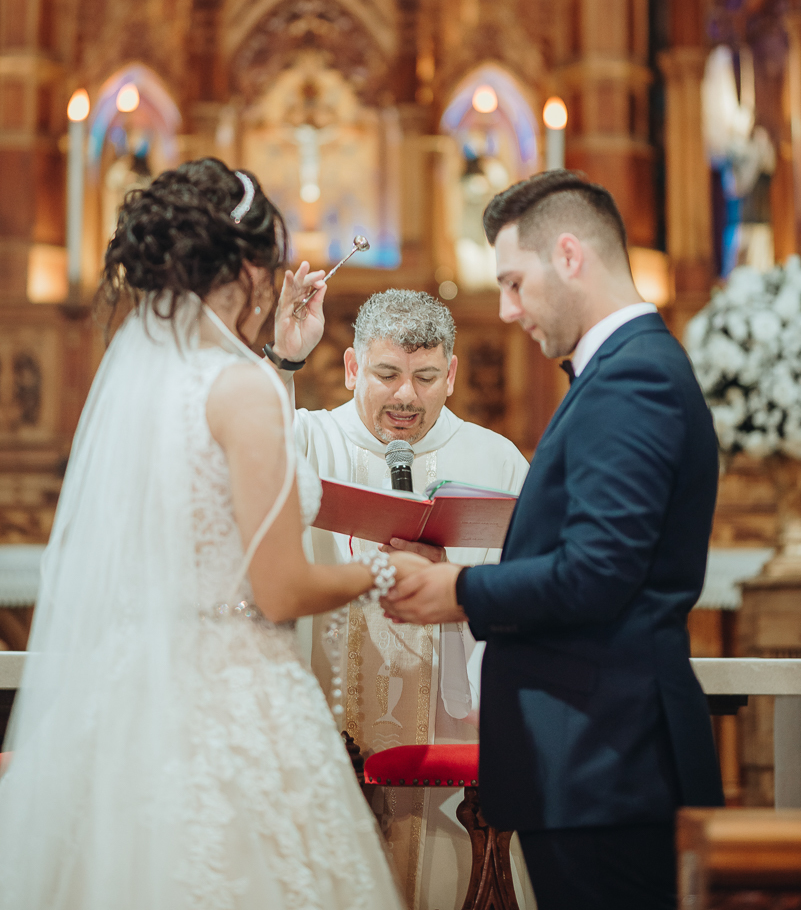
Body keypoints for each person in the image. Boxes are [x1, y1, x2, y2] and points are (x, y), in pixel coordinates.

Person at [0, 158, 422, 910]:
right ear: (253, 269)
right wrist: (388, 572)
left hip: (128, 692)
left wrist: (280, 356)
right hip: (229, 699)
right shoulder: (238, 388)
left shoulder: (137, 387)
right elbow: (280, 587)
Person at [383, 170, 725, 910]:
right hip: (592, 760)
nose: (505, 310)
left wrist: (459, 593)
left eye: (513, 282)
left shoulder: (634, 380)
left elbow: (597, 574)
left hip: (608, 762)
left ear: (569, 255)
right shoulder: (615, 373)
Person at [265, 284, 534, 910]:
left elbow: (531, 586)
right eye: (386, 374)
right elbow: (254, 455)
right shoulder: (310, 440)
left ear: (452, 373)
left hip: (452, 735)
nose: (406, 395)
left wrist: (462, 587)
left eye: (425, 376)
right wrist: (283, 360)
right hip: (330, 721)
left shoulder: (494, 461)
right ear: (353, 366)